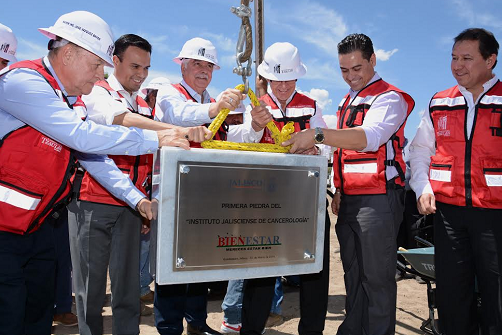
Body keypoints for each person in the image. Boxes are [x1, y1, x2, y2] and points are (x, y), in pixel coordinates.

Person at [0, 10, 195, 335]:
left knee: (35, 318)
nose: (99, 75)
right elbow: (82, 136)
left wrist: (137, 201)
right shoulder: (23, 83)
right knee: (8, 317)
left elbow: (93, 156)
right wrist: (156, 137)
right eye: (95, 65)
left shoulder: (69, 99)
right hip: (4, 233)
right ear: (68, 53)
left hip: (39, 228)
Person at [68, 34, 210, 335]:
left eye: (146, 68)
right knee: (91, 292)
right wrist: (176, 129)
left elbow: (151, 158)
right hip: (94, 202)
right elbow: (121, 120)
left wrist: (145, 201)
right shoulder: (99, 93)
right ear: (114, 61)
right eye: (135, 66)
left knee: (128, 288)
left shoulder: (145, 102)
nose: (141, 75)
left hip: (133, 208)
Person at [283, 34, 414, 335]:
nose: (351, 77)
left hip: (379, 200)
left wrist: (317, 135)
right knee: (354, 276)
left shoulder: (390, 97)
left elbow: (369, 137)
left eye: (357, 68)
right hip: (349, 200)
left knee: (378, 280)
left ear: (373, 60)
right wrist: (340, 190)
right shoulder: (347, 100)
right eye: (344, 70)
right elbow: (343, 152)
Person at [153, 37, 269, 335]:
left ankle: (196, 323)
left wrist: (255, 126)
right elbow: (178, 115)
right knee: (171, 267)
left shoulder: (214, 102)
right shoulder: (170, 93)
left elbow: (231, 140)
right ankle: (168, 329)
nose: (204, 71)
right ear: (183, 66)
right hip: (172, 195)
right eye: (197, 64)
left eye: (208, 66)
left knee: (199, 264)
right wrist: (215, 108)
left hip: (203, 195)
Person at [409, 28, 501, 334]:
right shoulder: (439, 103)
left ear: (490, 60)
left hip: (495, 217)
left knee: (496, 301)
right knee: (451, 298)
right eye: (453, 58)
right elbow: (420, 151)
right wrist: (422, 187)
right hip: (448, 216)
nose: (457, 65)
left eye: (466, 58)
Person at [238, 42, 332, 335]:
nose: (282, 86)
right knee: (259, 274)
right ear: (267, 78)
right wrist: (254, 126)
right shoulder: (254, 105)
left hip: (307, 199)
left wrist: (316, 150)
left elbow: (328, 144)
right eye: (277, 80)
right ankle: (251, 330)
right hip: (264, 201)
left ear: (298, 77)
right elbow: (240, 145)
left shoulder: (312, 106)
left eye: (288, 79)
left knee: (315, 270)